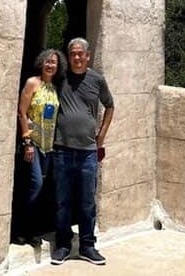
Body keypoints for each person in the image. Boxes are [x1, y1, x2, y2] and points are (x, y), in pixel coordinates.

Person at [51, 38, 114, 266]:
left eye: (80, 54)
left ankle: (87, 245)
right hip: (62, 150)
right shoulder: (61, 78)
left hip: (88, 151)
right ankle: (64, 245)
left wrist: (102, 136)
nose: (77, 57)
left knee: (87, 201)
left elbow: (110, 105)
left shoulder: (97, 80)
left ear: (87, 56)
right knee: (62, 201)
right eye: (73, 54)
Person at [13, 48, 66, 246]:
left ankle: (32, 230)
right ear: (41, 63)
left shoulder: (54, 87)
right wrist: (27, 142)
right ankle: (20, 228)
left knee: (39, 188)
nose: (50, 65)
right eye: (47, 61)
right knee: (35, 185)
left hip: (48, 146)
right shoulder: (32, 83)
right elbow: (22, 112)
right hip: (33, 144)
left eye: (54, 62)